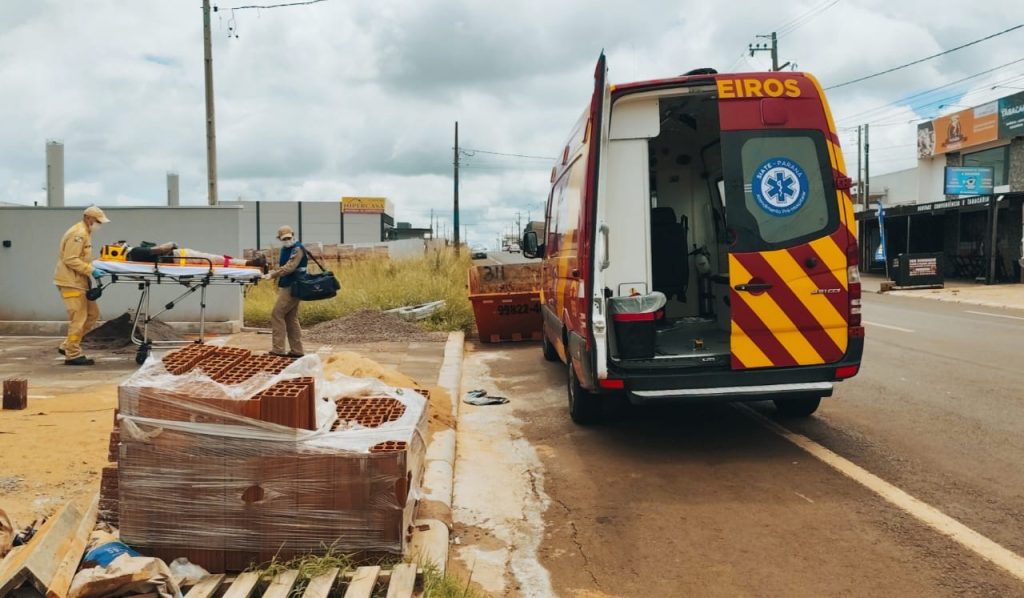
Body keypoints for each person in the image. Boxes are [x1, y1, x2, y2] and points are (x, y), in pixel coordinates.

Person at [53, 206, 110, 365]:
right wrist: (91, 270)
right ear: (88, 218)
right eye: (98, 221)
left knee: (92, 315)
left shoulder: (86, 233)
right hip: (70, 282)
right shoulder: (78, 234)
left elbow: (81, 258)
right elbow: (70, 259)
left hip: (80, 281)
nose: (99, 224)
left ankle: (67, 345)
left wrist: (98, 264)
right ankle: (72, 354)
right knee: (79, 318)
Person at [262, 225, 306, 358]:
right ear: (279, 239)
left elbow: (290, 267)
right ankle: (297, 351)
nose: (287, 240)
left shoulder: (297, 249)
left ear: (293, 235)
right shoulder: (285, 249)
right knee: (290, 317)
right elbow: (282, 266)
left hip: (294, 286)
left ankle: (278, 350)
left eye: (288, 237)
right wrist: (271, 272)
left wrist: (273, 275)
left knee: (277, 314)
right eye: (284, 239)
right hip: (289, 284)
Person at [102, 240, 267, 270]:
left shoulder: (132, 257)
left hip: (178, 260)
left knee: (216, 259)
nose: (117, 244)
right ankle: (250, 263)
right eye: (115, 245)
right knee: (216, 259)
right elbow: (158, 250)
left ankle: (249, 263)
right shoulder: (135, 252)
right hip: (180, 256)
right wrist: (171, 243)